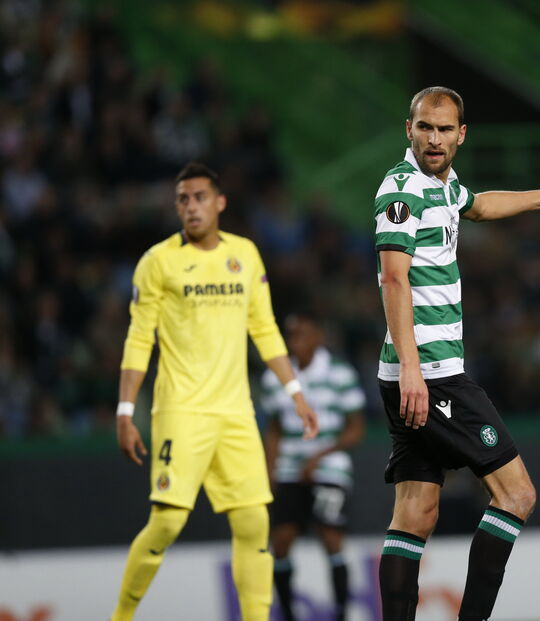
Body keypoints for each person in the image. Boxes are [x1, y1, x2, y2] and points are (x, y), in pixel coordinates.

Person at [373, 86, 540, 621]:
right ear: (408, 129)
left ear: (461, 135)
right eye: (425, 127)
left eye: (445, 129)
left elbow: (481, 205)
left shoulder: (443, 186)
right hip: (430, 374)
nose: (435, 138)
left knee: (416, 513)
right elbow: (393, 280)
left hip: (414, 373)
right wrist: (414, 371)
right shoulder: (403, 190)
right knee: (517, 495)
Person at [110, 162, 319, 621]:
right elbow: (139, 339)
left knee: (254, 523)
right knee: (167, 522)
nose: (191, 207)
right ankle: (120, 617)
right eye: (183, 199)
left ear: (220, 202)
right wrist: (125, 411)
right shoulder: (158, 262)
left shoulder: (244, 254)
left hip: (236, 413)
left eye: (200, 197)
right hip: (181, 410)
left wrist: (296, 392)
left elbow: (264, 328)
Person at [261, 312, 367, 621]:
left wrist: (319, 456)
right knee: (280, 541)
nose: (296, 342)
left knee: (331, 538)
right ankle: (288, 614)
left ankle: (341, 613)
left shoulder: (339, 373)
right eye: (291, 336)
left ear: (319, 336)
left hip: (330, 467)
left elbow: (356, 428)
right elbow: (274, 430)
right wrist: (269, 472)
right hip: (289, 468)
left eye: (303, 334)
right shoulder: (275, 376)